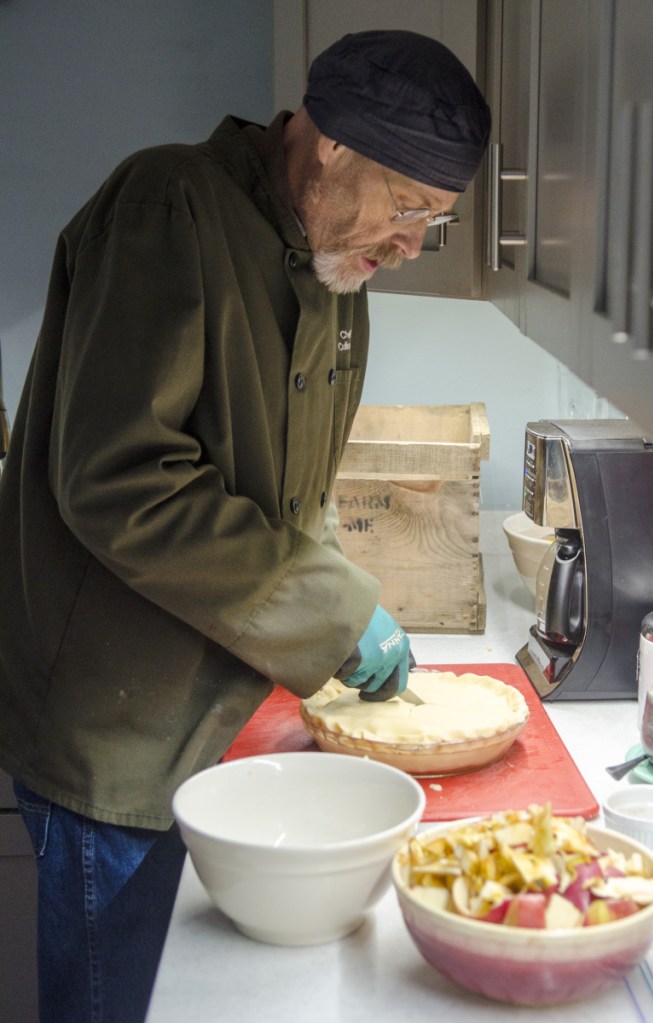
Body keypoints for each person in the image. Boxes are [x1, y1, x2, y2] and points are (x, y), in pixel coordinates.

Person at [0, 28, 490, 1023]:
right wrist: (335, 614)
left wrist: (350, 605)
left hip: (221, 714)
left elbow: (288, 501)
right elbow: (120, 483)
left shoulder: (331, 271)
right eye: (409, 208)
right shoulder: (167, 205)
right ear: (331, 143)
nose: (409, 245)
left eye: (431, 223)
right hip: (119, 735)